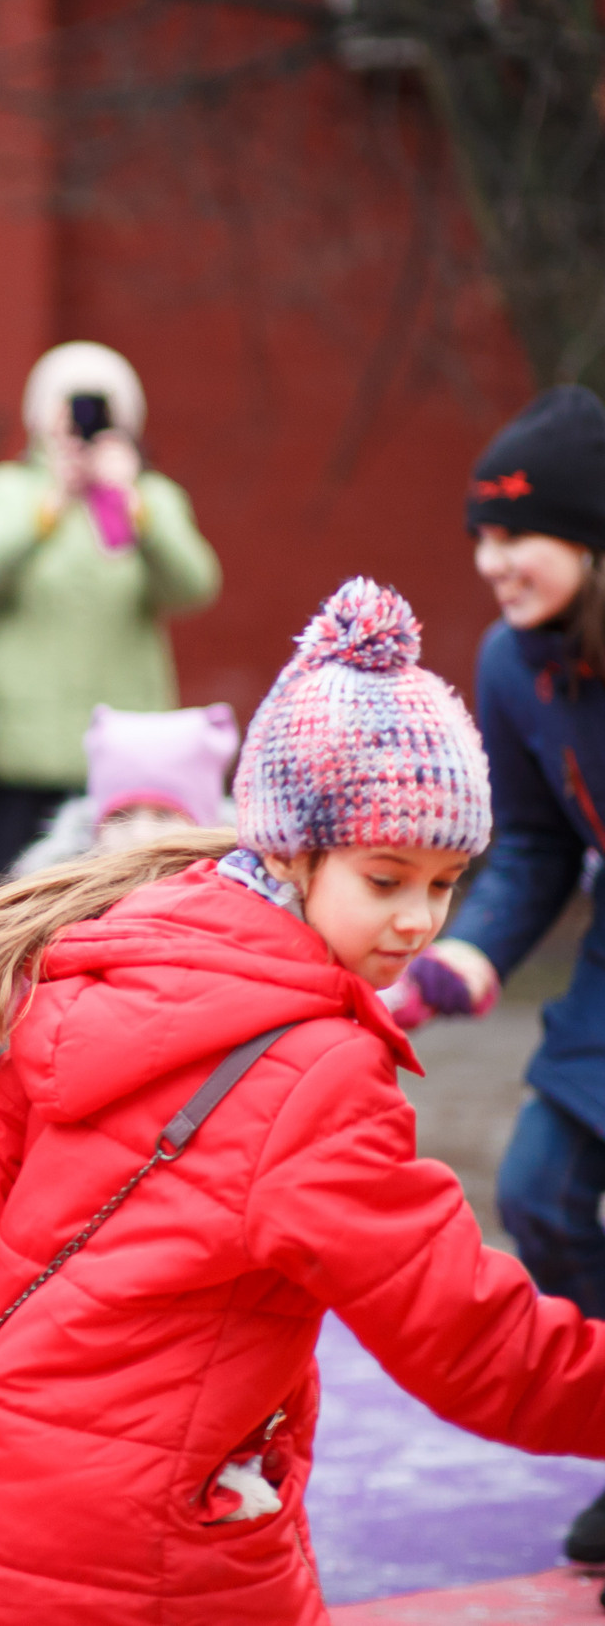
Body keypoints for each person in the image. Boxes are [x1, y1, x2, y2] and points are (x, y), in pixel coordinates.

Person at [0, 579, 605, 1624]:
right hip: (162, 1556)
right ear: (289, 851)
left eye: (444, 885)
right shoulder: (322, 1078)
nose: (418, 922)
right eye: (386, 878)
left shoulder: (115, 965)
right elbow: (466, 1333)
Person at [386, 383, 605, 1564]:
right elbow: (531, 841)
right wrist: (455, 960)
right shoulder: (514, 665)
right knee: (539, 1195)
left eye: (515, 533)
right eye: (480, 536)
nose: (490, 562)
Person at [0, 341, 222, 891]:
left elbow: (195, 586)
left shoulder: (148, 500)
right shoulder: (6, 492)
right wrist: (47, 506)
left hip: (125, 762)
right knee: (5, 902)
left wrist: (133, 506)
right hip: (17, 756)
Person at [7, 702, 239, 877]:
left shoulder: (235, 901)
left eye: (164, 816)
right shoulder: (53, 903)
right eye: (120, 817)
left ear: (207, 827)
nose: (141, 835)